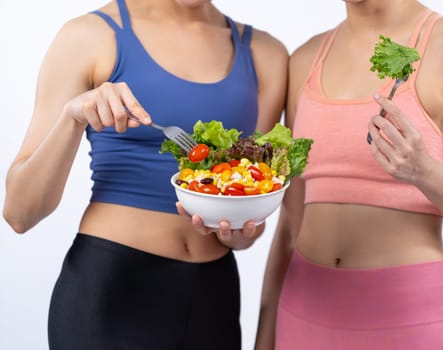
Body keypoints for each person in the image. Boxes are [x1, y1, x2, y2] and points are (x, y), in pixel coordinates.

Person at [2, 0, 287, 349]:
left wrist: (241, 234)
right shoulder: (91, 36)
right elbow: (19, 213)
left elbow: (253, 194)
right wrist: (72, 119)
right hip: (112, 292)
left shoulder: (265, 54)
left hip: (213, 296)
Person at [255, 1, 443, 349]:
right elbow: (291, 223)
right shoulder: (306, 58)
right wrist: (264, 338)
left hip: (405, 323)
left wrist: (426, 173)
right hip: (302, 317)